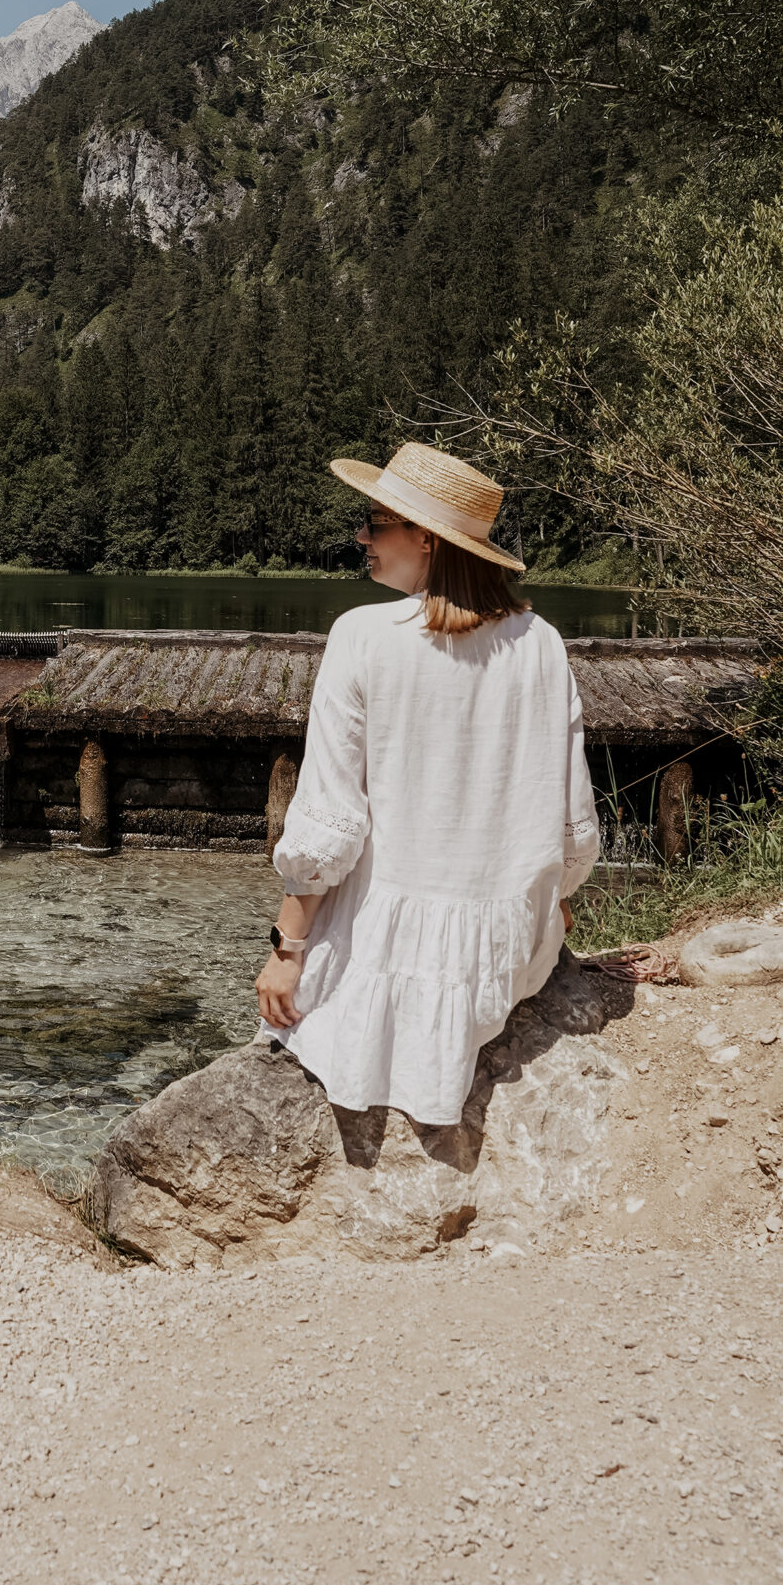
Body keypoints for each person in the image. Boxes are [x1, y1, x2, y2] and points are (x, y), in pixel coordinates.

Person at [255, 441, 601, 1127]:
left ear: (425, 538)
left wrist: (287, 950)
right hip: (503, 947)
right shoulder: (540, 642)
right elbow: (571, 816)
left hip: (392, 944)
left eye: (374, 523)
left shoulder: (362, 635)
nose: (361, 536)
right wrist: (554, 904)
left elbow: (330, 817)